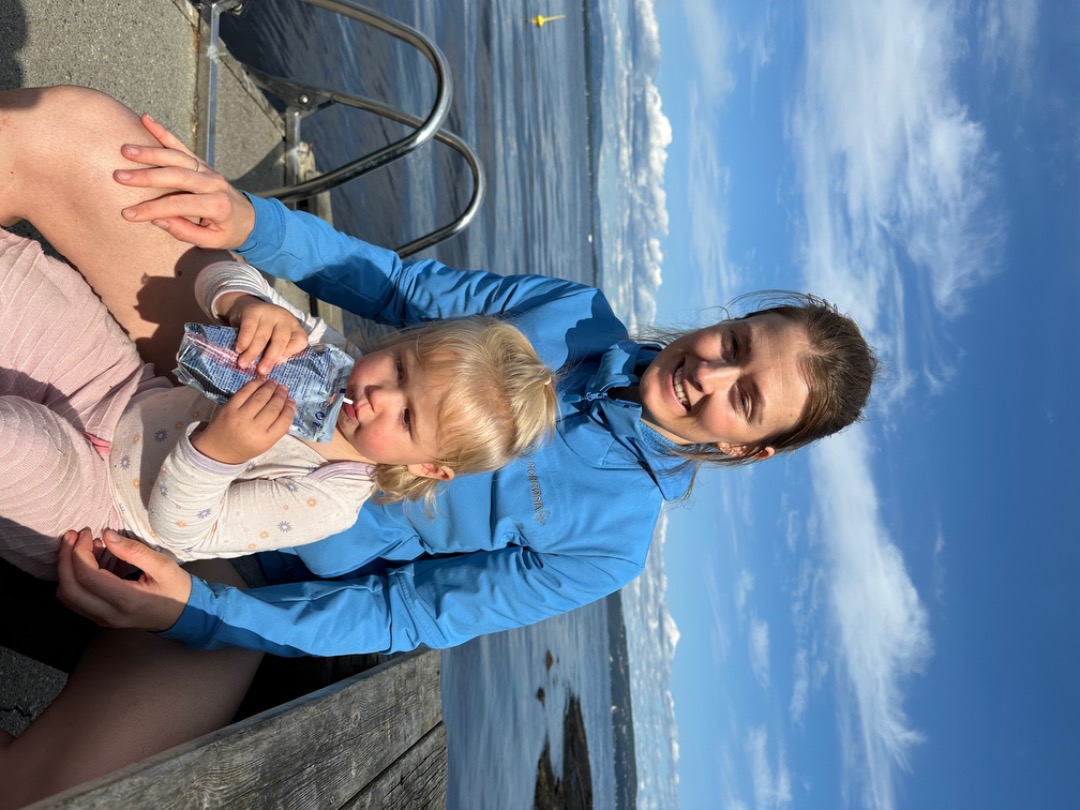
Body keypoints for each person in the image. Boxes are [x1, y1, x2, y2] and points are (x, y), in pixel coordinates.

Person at [0, 85, 877, 805]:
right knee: (76, 137)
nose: (710, 373)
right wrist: (249, 223)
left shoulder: (608, 546)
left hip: (237, 570)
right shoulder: (575, 313)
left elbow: (397, 612)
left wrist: (198, 612)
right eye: (736, 343)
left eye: (745, 398)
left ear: (751, 450)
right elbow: (398, 284)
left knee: (55, 794)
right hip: (246, 368)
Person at [0, 239, 558, 579]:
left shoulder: (330, 498)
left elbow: (180, 534)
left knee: (21, 444)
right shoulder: (327, 356)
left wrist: (219, 454)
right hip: (123, 391)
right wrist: (246, 303)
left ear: (427, 466)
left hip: (105, 511)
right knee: (30, 283)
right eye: (399, 369)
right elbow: (216, 275)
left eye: (407, 418)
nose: (380, 397)